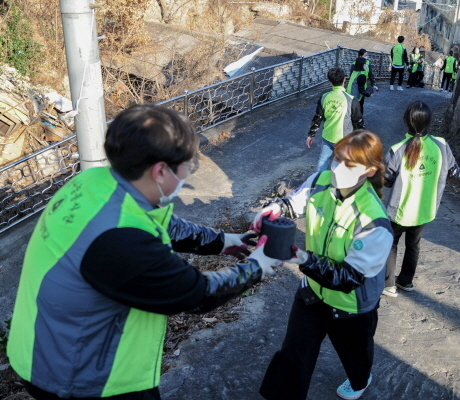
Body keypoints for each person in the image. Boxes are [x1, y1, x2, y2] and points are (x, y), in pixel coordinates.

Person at [6, 104, 280, 400]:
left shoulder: (94, 181)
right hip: (84, 377)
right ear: (161, 170)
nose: (189, 172)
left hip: (43, 345)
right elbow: (195, 294)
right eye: (189, 165)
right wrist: (257, 266)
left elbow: (159, 224)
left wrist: (224, 241)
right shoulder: (121, 242)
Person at [255, 130, 393, 400]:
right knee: (293, 354)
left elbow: (348, 278)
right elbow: (296, 202)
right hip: (313, 292)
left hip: (352, 304)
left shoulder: (374, 222)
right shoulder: (321, 180)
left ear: (369, 170)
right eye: (336, 158)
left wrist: (300, 257)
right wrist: (276, 208)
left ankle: (360, 379)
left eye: (349, 164)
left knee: (355, 356)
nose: (337, 169)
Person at [382, 101, 460, 297]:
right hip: (424, 209)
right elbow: (453, 169)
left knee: (392, 243)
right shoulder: (441, 145)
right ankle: (406, 282)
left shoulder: (397, 149)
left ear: (406, 121)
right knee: (414, 244)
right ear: (429, 122)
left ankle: (389, 285)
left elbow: (386, 180)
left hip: (400, 210)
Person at [307, 67, 364, 173]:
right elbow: (358, 121)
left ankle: (318, 184)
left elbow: (318, 117)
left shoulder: (324, 97)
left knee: (323, 161)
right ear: (344, 80)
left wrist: (311, 134)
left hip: (327, 136)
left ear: (330, 82)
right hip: (345, 139)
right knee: (341, 164)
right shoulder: (352, 100)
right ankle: (337, 186)